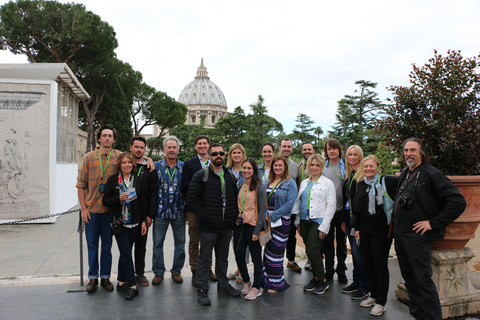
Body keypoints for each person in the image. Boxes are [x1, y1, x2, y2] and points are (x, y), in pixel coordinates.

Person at [393, 138, 466, 320]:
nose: (408, 153)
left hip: (418, 238)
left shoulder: (431, 174)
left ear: (422, 153)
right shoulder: (405, 172)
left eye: (413, 150)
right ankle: (418, 315)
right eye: (406, 150)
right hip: (401, 236)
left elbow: (458, 202)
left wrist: (433, 223)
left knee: (423, 281)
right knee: (410, 280)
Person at [188, 143, 240, 306]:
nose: (218, 156)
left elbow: (234, 198)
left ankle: (223, 285)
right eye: (215, 153)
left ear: (225, 156)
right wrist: (206, 216)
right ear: (209, 156)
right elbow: (192, 200)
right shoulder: (201, 175)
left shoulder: (229, 175)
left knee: (223, 258)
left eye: (221, 153)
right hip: (208, 226)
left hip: (225, 227)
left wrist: (232, 218)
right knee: (204, 259)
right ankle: (203, 289)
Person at [76, 124, 120, 293]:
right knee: (92, 245)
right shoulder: (88, 158)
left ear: (113, 139)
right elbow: (80, 185)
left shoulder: (118, 156)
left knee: (107, 247)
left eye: (110, 135)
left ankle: (106, 278)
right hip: (92, 211)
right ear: (99, 138)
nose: (107, 138)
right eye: (104, 135)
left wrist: (149, 160)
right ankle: (93, 278)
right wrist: (83, 209)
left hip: (110, 212)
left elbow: (135, 160)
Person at [353, 155, 397, 316]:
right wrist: (356, 228)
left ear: (378, 166)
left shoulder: (387, 182)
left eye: (371, 166)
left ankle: (381, 302)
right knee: (368, 264)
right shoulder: (360, 184)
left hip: (381, 231)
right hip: (364, 231)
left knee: (380, 265)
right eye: (365, 167)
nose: (368, 169)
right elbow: (356, 208)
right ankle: (373, 295)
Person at [102, 152, 147, 301]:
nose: (127, 165)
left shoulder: (138, 179)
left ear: (132, 165)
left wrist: (143, 222)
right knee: (126, 253)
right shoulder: (113, 180)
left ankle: (121, 281)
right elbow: (106, 200)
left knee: (125, 252)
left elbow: (142, 202)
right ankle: (133, 285)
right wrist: (119, 198)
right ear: (119, 165)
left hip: (134, 222)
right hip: (119, 223)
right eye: (124, 163)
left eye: (129, 162)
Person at [293, 154, 336, 295]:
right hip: (304, 221)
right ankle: (315, 278)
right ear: (308, 166)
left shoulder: (327, 183)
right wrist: (298, 221)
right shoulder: (305, 182)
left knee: (313, 250)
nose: (314, 167)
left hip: (318, 221)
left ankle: (323, 281)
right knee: (310, 251)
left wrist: (324, 226)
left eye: (317, 165)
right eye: (312, 165)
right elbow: (299, 203)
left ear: (322, 166)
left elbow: (331, 206)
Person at [181, 135, 216, 285]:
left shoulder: (214, 162)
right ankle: (195, 271)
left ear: (208, 146)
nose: (202, 146)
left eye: (204, 143)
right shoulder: (189, 164)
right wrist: (202, 185)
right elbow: (184, 185)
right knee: (194, 241)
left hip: (210, 208)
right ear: (195, 146)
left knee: (209, 240)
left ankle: (208, 268)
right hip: (194, 209)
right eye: (199, 143)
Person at [152, 136, 185, 285]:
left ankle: (176, 271)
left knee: (180, 243)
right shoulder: (156, 166)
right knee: (157, 243)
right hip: (160, 212)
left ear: (178, 150)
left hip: (179, 211)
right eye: (169, 147)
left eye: (174, 147)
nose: (172, 150)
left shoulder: (184, 167)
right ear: (164, 149)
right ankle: (158, 272)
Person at [233, 158, 267, 300]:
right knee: (239, 255)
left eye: (249, 168)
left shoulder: (259, 187)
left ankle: (256, 287)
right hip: (240, 226)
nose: (246, 171)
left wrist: (257, 231)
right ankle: (246, 281)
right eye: (244, 168)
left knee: (256, 258)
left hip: (253, 226)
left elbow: (263, 210)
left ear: (254, 171)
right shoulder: (240, 184)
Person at [263, 155, 297, 293]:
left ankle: (276, 283)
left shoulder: (290, 183)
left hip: (281, 221)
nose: (277, 168)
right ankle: (266, 280)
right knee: (267, 252)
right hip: (267, 221)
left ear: (285, 167)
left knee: (276, 252)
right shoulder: (268, 182)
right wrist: (265, 215)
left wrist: (273, 215)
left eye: (280, 166)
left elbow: (290, 204)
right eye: (275, 165)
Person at [341, 145, 369, 299]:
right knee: (354, 251)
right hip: (348, 218)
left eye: (355, 155)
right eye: (349, 155)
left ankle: (365, 287)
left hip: (359, 221)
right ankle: (356, 282)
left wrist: (357, 223)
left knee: (359, 254)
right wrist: (343, 220)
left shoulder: (362, 175)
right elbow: (346, 199)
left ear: (360, 156)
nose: (352, 157)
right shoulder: (349, 174)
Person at [129, 136, 158, 287]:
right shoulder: (125, 164)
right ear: (131, 148)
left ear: (144, 149)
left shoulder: (149, 168)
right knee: (126, 247)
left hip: (143, 215)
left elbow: (154, 193)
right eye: (136, 147)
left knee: (141, 246)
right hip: (126, 214)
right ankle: (127, 275)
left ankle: (140, 274)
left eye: (142, 147)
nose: (139, 150)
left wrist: (150, 215)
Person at [322, 138, 348, 283]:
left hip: (342, 210)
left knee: (342, 243)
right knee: (328, 242)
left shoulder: (346, 165)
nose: (331, 151)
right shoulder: (323, 166)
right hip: (327, 211)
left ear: (339, 149)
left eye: (334, 148)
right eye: (328, 149)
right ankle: (329, 270)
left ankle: (342, 270)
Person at [226, 143, 247, 283]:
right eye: (234, 152)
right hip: (229, 211)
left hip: (244, 211)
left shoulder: (247, 170)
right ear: (230, 155)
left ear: (243, 154)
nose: (237, 155)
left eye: (239, 152)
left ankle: (242, 270)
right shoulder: (226, 171)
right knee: (235, 243)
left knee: (243, 243)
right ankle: (239, 268)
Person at [279, 138, 301, 272]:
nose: (286, 148)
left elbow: (297, 187)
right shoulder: (275, 163)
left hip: (290, 208)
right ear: (280, 148)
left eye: (289, 146)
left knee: (291, 236)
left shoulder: (295, 167)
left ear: (292, 148)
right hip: (275, 207)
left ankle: (291, 261)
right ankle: (274, 262)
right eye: (284, 146)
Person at [297, 142, 315, 271]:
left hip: (315, 203)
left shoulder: (317, 165)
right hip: (303, 205)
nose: (307, 151)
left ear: (313, 150)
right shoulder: (299, 166)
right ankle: (310, 258)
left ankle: (314, 260)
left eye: (309, 149)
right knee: (305, 235)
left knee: (314, 236)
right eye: (305, 149)